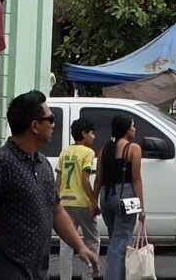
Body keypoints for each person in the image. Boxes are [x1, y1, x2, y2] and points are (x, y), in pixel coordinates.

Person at [0, 93, 97, 280]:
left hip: (38, 270)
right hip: (10, 270)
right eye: (50, 119)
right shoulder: (1, 163)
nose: (53, 125)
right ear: (34, 126)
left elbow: (56, 211)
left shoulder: (43, 163)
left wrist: (80, 246)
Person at [95, 112, 145, 280]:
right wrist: (142, 208)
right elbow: (136, 179)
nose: (135, 129)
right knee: (121, 242)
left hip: (106, 197)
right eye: (132, 126)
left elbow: (99, 178)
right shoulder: (134, 148)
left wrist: (94, 201)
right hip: (127, 196)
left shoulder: (105, 149)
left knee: (115, 240)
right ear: (125, 129)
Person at [58, 120, 99, 280]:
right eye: (92, 133)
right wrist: (93, 201)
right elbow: (85, 179)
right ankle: (88, 276)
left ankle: (65, 277)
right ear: (83, 133)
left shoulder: (65, 151)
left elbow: (58, 180)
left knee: (66, 243)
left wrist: (57, 200)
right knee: (92, 241)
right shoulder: (88, 152)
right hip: (82, 203)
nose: (94, 137)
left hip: (64, 203)